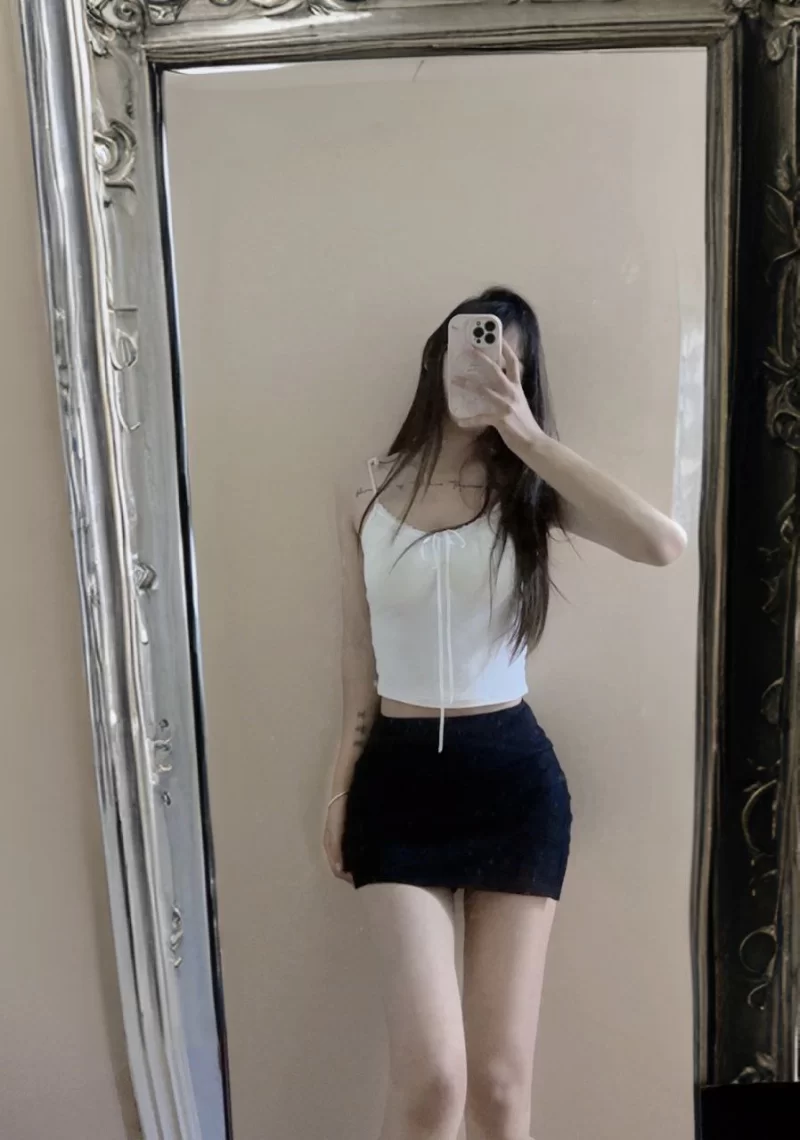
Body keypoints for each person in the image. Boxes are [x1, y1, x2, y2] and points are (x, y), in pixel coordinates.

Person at [322, 287, 686, 1140]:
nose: (485, 369)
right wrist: (339, 786)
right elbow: (356, 658)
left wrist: (526, 434)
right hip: (396, 785)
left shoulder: (530, 490)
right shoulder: (366, 488)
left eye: (506, 360)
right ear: (438, 354)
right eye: (474, 350)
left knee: (496, 1085)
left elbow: (661, 542)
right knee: (433, 1079)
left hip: (512, 785)